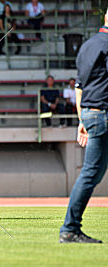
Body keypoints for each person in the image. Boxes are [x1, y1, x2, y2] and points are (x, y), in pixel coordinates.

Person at [59, 11, 108, 244]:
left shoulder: (88, 45)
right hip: (103, 112)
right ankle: (69, 228)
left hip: (91, 112)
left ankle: (70, 228)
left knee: (93, 172)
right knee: (90, 173)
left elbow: (80, 86)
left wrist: (81, 120)